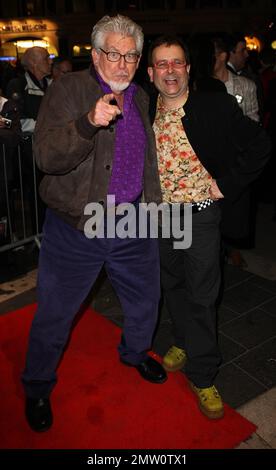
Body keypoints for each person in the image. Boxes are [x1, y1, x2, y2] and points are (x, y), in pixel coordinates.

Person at [21, 15, 166, 433]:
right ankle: (37, 386)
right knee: (55, 313)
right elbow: (46, 158)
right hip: (76, 227)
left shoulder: (140, 96)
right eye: (113, 54)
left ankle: (136, 353)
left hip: (132, 222)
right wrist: (88, 123)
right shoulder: (68, 89)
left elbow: (147, 161)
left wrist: (152, 210)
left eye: (131, 56)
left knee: (144, 302)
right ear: (96, 53)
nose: (123, 64)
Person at [147, 35, 270, 419]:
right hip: (162, 219)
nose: (170, 71)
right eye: (162, 64)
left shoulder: (212, 105)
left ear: (188, 68)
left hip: (200, 218)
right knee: (174, 285)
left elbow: (261, 144)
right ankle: (182, 339)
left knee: (202, 295)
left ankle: (203, 375)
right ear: (151, 73)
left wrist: (226, 184)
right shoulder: (142, 109)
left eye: (177, 63)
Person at [6, 47, 53, 233]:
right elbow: (15, 122)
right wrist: (46, 127)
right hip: (28, 154)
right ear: (33, 63)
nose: (50, 61)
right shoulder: (17, 85)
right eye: (45, 58)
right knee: (35, 196)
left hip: (50, 150)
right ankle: (37, 234)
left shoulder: (51, 84)